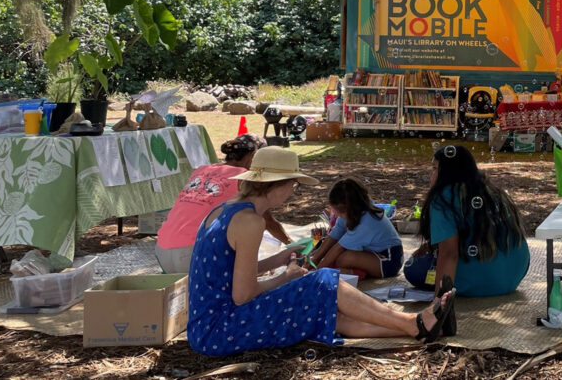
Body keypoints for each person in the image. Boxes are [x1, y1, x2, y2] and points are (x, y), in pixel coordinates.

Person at [187, 147, 455, 356]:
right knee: (325, 281)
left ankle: (418, 327)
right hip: (223, 328)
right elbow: (243, 294)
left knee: (327, 313)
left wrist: (277, 260)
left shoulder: (224, 210)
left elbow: (225, 272)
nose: (293, 190)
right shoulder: (251, 221)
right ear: (277, 184)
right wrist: (287, 276)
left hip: (205, 328)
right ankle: (414, 321)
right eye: (293, 184)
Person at [404, 145, 530, 298]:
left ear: (447, 172)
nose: (431, 174)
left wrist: (438, 303)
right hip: (512, 277)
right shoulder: (492, 190)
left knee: (413, 268)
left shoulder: (443, 198)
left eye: (434, 168)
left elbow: (449, 253)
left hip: (480, 280)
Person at [155, 134, 292, 274]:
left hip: (162, 248)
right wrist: (291, 244)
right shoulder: (243, 178)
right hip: (193, 252)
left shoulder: (201, 170)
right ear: (253, 156)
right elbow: (268, 221)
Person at [310, 178, 404, 279]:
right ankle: (358, 270)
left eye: (337, 211)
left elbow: (339, 247)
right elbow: (334, 235)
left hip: (389, 261)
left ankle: (358, 272)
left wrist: (317, 271)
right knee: (333, 257)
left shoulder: (367, 221)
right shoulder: (352, 210)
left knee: (343, 259)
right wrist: (314, 260)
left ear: (348, 209)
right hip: (374, 253)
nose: (335, 214)